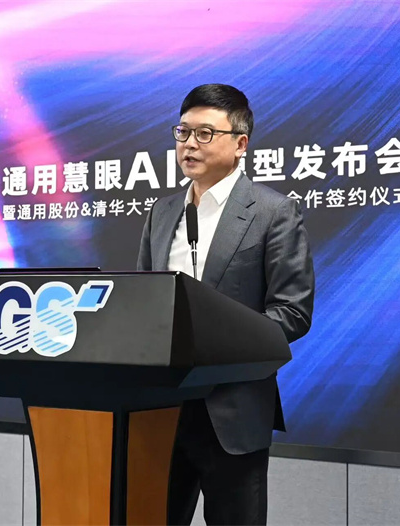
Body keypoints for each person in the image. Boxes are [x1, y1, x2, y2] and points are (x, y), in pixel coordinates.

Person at [137, 84, 315, 525]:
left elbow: (292, 312)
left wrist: (213, 345)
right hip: (161, 410)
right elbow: (144, 301)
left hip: (233, 410)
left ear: (240, 144)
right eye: (183, 132)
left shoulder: (273, 212)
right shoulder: (162, 213)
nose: (189, 144)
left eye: (205, 133)